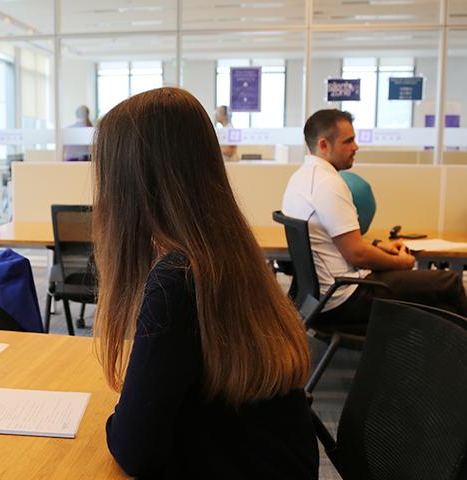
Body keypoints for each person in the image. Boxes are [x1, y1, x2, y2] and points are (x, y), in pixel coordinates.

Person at [94, 87, 318, 478]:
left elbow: (135, 448)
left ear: (127, 184)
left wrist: (123, 417)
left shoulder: (178, 279)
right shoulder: (228, 251)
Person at [282, 109, 467, 330]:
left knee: (446, 310)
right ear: (324, 145)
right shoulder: (328, 184)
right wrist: (401, 263)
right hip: (346, 297)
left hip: (320, 298)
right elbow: (357, 254)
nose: (356, 147)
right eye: (348, 141)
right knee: (449, 283)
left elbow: (342, 242)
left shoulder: (300, 179)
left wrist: (380, 246)